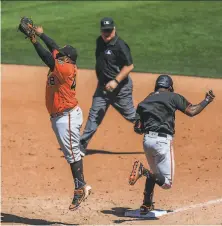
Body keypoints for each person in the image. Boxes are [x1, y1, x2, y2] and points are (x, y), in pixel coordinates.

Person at [19, 23, 91, 211]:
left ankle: (80, 188)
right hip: (62, 115)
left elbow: (47, 57)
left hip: (66, 116)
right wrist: (42, 34)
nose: (58, 54)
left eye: (61, 55)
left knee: (72, 153)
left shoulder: (65, 68)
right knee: (72, 152)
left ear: (67, 59)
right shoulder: (65, 63)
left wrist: (34, 40)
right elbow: (54, 49)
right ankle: (81, 185)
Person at [128, 74, 215, 215]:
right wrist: (207, 100)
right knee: (167, 183)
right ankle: (142, 171)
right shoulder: (172, 96)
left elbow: (138, 128)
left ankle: (146, 204)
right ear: (169, 87)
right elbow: (191, 111)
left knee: (155, 173)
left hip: (147, 142)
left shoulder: (145, 101)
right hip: (162, 142)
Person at [80, 17, 136, 156]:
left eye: (109, 31)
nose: (107, 34)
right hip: (103, 88)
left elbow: (129, 66)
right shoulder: (99, 41)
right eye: (104, 31)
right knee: (94, 116)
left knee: (132, 116)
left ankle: (157, 129)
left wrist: (115, 81)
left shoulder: (120, 45)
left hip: (120, 89)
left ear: (114, 29)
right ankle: (81, 146)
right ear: (101, 30)